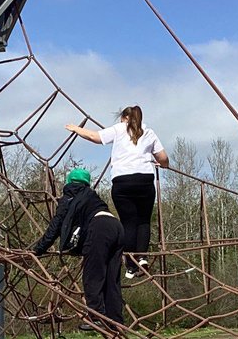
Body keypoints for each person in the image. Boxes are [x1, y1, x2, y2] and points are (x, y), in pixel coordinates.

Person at [65, 105, 169, 279]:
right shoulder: (149, 132)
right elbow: (163, 157)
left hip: (122, 181)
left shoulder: (120, 129)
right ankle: (142, 257)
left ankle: (130, 265)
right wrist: (163, 165)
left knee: (128, 223)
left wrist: (76, 128)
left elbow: (94, 137)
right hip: (144, 179)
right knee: (143, 221)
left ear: (125, 118)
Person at [29, 167, 124, 328]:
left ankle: (97, 317)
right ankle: (115, 320)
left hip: (99, 227)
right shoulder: (91, 196)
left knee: (93, 274)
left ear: (69, 182)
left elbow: (56, 226)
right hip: (116, 226)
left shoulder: (69, 196)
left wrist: (38, 249)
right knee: (111, 276)